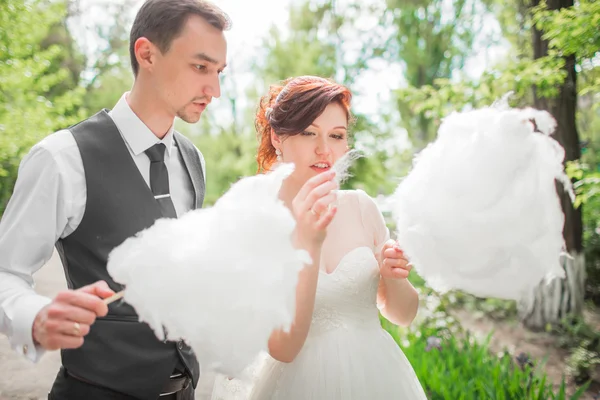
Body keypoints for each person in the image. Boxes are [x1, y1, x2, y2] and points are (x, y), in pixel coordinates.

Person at [0, 0, 229, 399]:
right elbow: (5, 271)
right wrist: (34, 316)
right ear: (147, 54)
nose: (215, 90)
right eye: (200, 67)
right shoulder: (61, 157)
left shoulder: (194, 160)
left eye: (219, 72)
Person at [208, 75, 428, 399]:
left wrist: (395, 278)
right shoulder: (257, 224)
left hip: (376, 378)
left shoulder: (361, 207)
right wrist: (309, 243)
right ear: (277, 137)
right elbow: (284, 347)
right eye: (309, 132)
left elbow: (403, 314)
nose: (324, 149)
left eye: (336, 136)